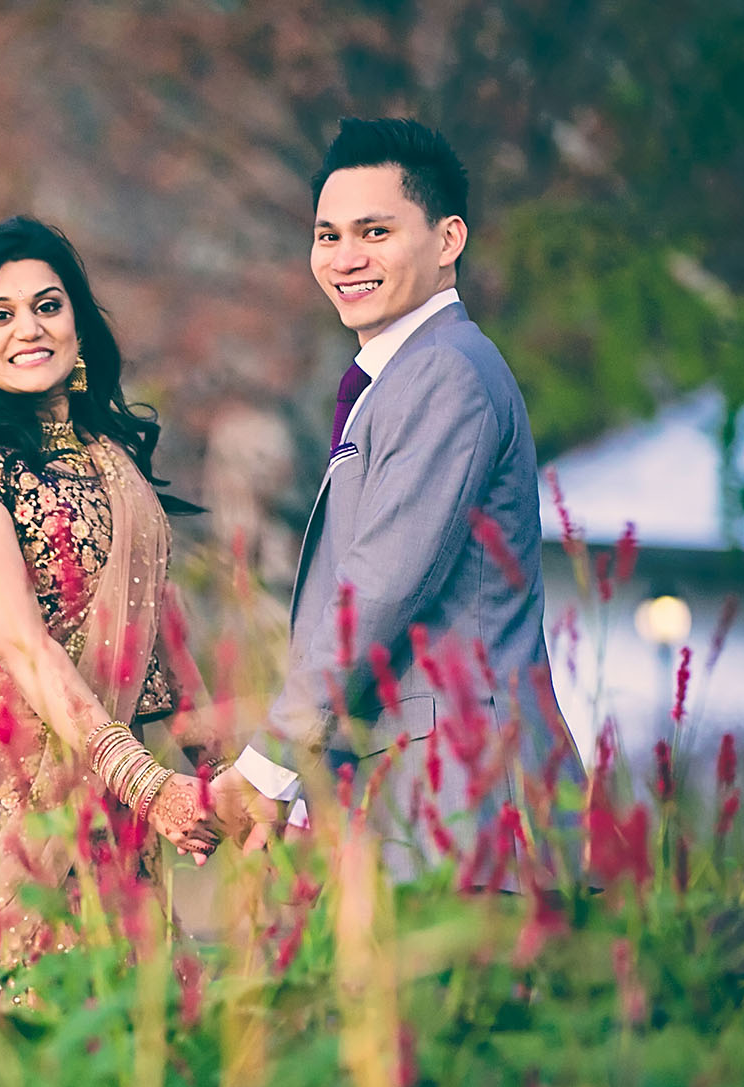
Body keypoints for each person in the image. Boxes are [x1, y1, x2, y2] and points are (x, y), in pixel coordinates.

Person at [210, 118, 581, 881]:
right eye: (328, 235)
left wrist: (271, 761)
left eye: (374, 231)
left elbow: (380, 586)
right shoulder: (403, 378)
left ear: (448, 240)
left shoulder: (446, 373)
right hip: (420, 799)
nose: (345, 259)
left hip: (466, 799)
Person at [0, 216, 229, 995]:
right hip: (13, 789)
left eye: (48, 305)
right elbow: (27, 648)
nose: (27, 330)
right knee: (8, 1024)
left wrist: (217, 770)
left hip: (119, 799)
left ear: (78, 322)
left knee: (121, 1043)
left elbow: (160, 630)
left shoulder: (110, 456)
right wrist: (149, 782)